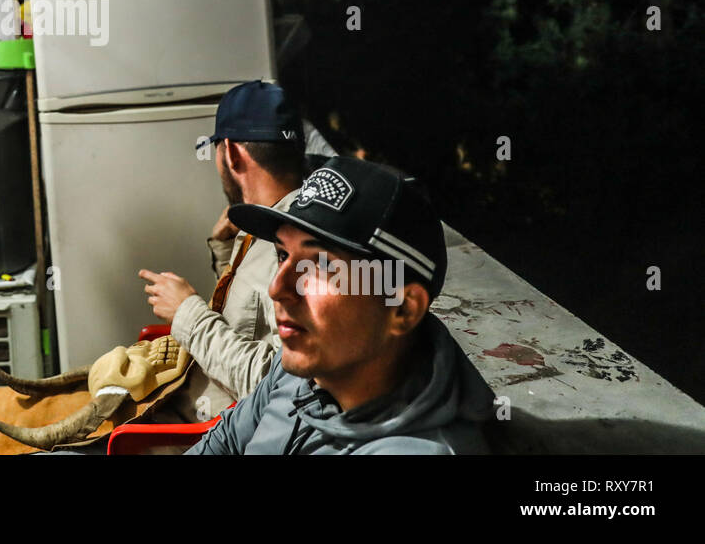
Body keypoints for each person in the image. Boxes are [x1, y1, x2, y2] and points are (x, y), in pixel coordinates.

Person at [188, 156, 494, 454]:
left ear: (403, 308)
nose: (277, 288)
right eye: (282, 255)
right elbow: (225, 440)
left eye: (320, 266)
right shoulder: (307, 366)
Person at [139, 80, 334, 422]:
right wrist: (225, 250)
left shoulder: (294, 247)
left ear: (230, 152)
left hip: (195, 431)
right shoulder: (266, 220)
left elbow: (281, 387)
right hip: (181, 401)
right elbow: (251, 322)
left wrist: (188, 314)